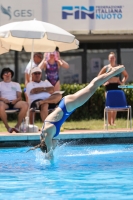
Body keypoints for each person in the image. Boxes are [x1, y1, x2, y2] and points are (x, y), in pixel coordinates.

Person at [28, 65, 125, 159]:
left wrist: (48, 163)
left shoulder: (47, 134)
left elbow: (50, 153)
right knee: (91, 87)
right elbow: (51, 147)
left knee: (92, 87)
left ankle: (113, 72)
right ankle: (110, 73)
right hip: (66, 106)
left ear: (45, 143)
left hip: (67, 106)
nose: (53, 146)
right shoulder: (48, 135)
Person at [98, 52, 129, 126]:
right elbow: (99, 77)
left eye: (113, 57)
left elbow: (126, 75)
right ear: (108, 59)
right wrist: (104, 83)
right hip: (108, 87)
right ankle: (108, 123)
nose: (112, 59)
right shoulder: (106, 68)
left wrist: (122, 82)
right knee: (109, 105)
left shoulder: (119, 67)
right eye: (110, 58)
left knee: (115, 106)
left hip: (117, 86)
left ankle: (113, 122)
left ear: (115, 58)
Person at [0, 68, 28, 133]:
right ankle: (7, 127)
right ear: (2, 76)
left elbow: (19, 97)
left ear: (11, 75)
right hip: (4, 103)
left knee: (25, 104)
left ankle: (17, 126)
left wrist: (15, 100)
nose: (7, 75)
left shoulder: (16, 84)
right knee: (0, 106)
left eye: (9, 73)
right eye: (5, 74)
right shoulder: (0, 84)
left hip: (15, 102)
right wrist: (3, 99)